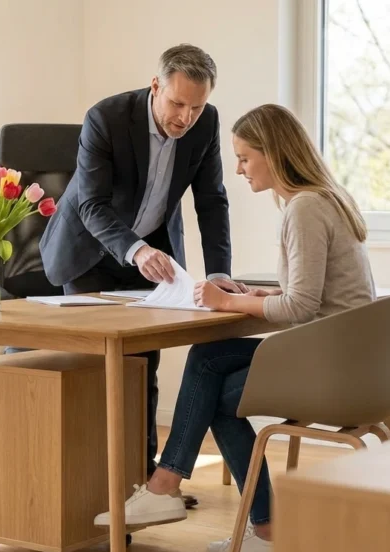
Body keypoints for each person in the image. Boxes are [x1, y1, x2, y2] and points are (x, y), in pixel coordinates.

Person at [93, 103, 376, 552]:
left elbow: (301, 307)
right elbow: (314, 295)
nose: (239, 169)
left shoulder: (304, 208)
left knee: (218, 397)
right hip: (351, 359)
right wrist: (261, 293)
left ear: (273, 153)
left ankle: (195, 499)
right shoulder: (326, 198)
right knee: (208, 359)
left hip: (331, 369)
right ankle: (191, 497)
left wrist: (226, 302)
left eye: (245, 157)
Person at [39, 45, 241, 501]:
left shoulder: (205, 122)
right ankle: (90, 485)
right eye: (177, 103)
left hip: (155, 252)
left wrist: (219, 273)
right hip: (90, 250)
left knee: (143, 366)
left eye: (196, 107)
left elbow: (211, 201)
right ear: (155, 87)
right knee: (95, 368)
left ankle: (144, 482)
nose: (186, 118)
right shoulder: (106, 118)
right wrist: (135, 249)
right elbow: (91, 204)